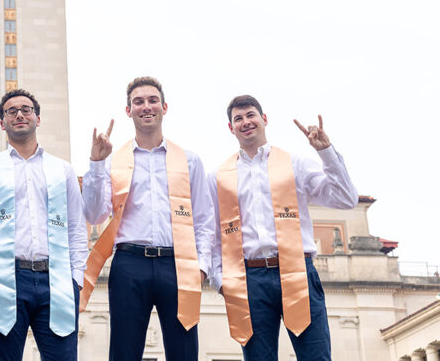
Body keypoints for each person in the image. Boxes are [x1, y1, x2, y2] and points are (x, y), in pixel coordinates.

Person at [0, 88, 87, 361]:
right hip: (5, 278)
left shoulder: (62, 169)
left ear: (37, 118)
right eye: (11, 111)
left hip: (56, 279)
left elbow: (77, 227)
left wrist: (75, 279)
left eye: (26, 109)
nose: (19, 114)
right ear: (2, 123)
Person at [210, 95, 358, 361]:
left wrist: (326, 152)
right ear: (230, 127)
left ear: (264, 119)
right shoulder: (219, 176)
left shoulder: (295, 164)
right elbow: (211, 231)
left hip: (298, 272)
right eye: (238, 118)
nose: (246, 122)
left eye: (251, 115)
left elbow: (346, 198)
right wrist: (220, 280)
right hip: (249, 279)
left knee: (316, 356)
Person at [81, 76, 214, 361]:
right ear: (128, 110)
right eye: (138, 102)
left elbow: (203, 219)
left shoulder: (190, 161)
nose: (146, 106)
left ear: (164, 107)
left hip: (177, 264)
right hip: (129, 263)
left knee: (184, 351)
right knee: (124, 352)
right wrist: (95, 164)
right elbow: (94, 213)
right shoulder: (114, 160)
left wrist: (201, 267)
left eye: (152, 100)